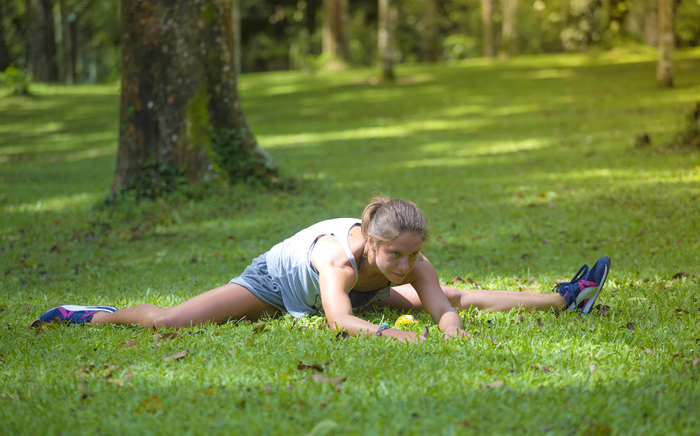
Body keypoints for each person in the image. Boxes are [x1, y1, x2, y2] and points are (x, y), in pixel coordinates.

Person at [34, 197, 611, 342]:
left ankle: (567, 296)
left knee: (458, 296)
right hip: (278, 283)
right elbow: (338, 320)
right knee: (169, 324)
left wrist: (448, 329)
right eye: (395, 257)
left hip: (356, 295)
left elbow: (441, 306)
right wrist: (392, 336)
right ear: (371, 246)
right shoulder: (338, 258)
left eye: (413, 254)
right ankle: (92, 316)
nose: (406, 265)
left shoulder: (411, 262)